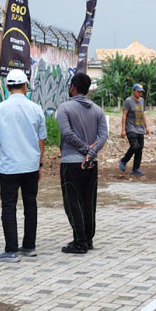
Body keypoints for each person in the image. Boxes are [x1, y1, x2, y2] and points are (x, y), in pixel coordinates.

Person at [0, 69, 47, 263]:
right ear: (26, 86)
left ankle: (11, 250)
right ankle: (29, 247)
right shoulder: (36, 109)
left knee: (9, 207)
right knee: (30, 205)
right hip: (30, 166)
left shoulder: (0, 109)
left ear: (8, 87)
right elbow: (41, 140)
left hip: (10, 167)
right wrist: (39, 164)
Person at [57, 72, 108, 254]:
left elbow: (67, 134)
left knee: (73, 201)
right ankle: (88, 238)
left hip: (71, 162)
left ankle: (79, 242)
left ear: (72, 87)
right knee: (89, 201)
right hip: (91, 164)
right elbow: (103, 136)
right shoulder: (97, 110)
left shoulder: (64, 108)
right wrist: (91, 152)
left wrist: (85, 149)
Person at [119, 83, 150, 176]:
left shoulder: (142, 101)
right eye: (138, 91)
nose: (140, 93)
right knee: (135, 146)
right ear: (134, 91)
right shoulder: (128, 101)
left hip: (140, 128)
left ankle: (136, 169)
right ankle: (124, 160)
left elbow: (143, 114)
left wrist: (146, 126)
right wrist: (123, 130)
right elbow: (124, 115)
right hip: (131, 128)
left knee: (139, 149)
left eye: (141, 92)